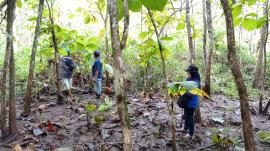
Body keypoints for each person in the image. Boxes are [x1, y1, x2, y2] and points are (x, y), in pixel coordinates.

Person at [181, 64, 201, 139]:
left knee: (190, 118)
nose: (188, 73)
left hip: (192, 102)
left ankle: (191, 133)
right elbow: (184, 88)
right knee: (186, 116)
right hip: (186, 101)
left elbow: (191, 94)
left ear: (193, 73)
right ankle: (185, 128)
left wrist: (183, 93)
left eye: (189, 72)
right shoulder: (188, 79)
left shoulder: (196, 82)